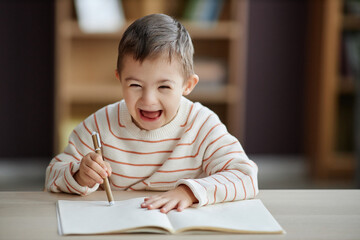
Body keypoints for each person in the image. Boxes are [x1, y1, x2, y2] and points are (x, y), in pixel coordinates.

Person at [46, 14, 258, 213]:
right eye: (136, 85)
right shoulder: (100, 125)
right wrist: (79, 175)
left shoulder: (202, 125)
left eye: (164, 87)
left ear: (188, 85)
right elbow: (52, 175)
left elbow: (246, 177)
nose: (148, 100)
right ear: (120, 79)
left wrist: (189, 192)